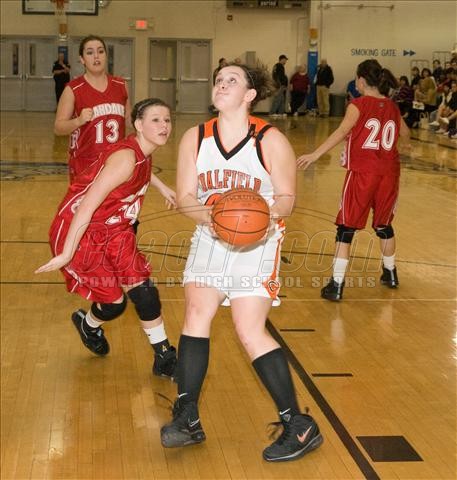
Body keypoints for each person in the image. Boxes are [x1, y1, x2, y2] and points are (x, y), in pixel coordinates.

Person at [160, 62, 323, 462]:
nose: (221, 85)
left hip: (259, 241)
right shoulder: (195, 137)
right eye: (218, 80)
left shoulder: (270, 140)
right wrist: (214, 220)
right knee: (196, 314)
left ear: (250, 95)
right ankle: (187, 417)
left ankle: (298, 424)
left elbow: (286, 199)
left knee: (248, 329)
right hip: (210, 233)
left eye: (231, 80)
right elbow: (185, 197)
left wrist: (258, 222)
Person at [35, 98, 178, 379]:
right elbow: (87, 206)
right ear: (138, 125)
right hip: (81, 231)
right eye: (156, 120)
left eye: (167, 120)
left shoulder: (142, 150)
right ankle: (88, 325)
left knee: (145, 293)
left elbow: (140, 168)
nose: (164, 126)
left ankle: (164, 357)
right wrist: (66, 253)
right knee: (114, 303)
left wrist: (161, 186)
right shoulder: (125, 158)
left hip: (115, 230)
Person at [297, 59, 410, 301]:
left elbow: (341, 132)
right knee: (384, 226)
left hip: (363, 173)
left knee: (346, 228)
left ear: (361, 80)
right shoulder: (392, 106)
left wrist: (315, 154)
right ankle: (390, 274)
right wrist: (397, 146)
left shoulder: (358, 105)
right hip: (390, 173)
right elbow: (406, 133)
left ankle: (336, 285)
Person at [54, 35, 131, 183]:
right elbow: (58, 128)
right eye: (90, 52)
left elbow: (128, 120)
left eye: (100, 51)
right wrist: (78, 121)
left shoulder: (121, 85)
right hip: (85, 165)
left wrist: (148, 121)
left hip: (115, 163)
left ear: (106, 56)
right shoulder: (73, 89)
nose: (96, 56)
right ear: (82, 59)